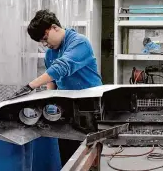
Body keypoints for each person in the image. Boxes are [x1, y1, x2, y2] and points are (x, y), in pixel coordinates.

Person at [8, 9, 102, 166]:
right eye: (42, 43)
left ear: (54, 28)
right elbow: (53, 79)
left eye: (45, 38)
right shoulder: (50, 53)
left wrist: (30, 86)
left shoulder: (79, 43)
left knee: (89, 157)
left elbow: (60, 68)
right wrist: (48, 99)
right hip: (66, 109)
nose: (45, 44)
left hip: (89, 108)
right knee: (69, 159)